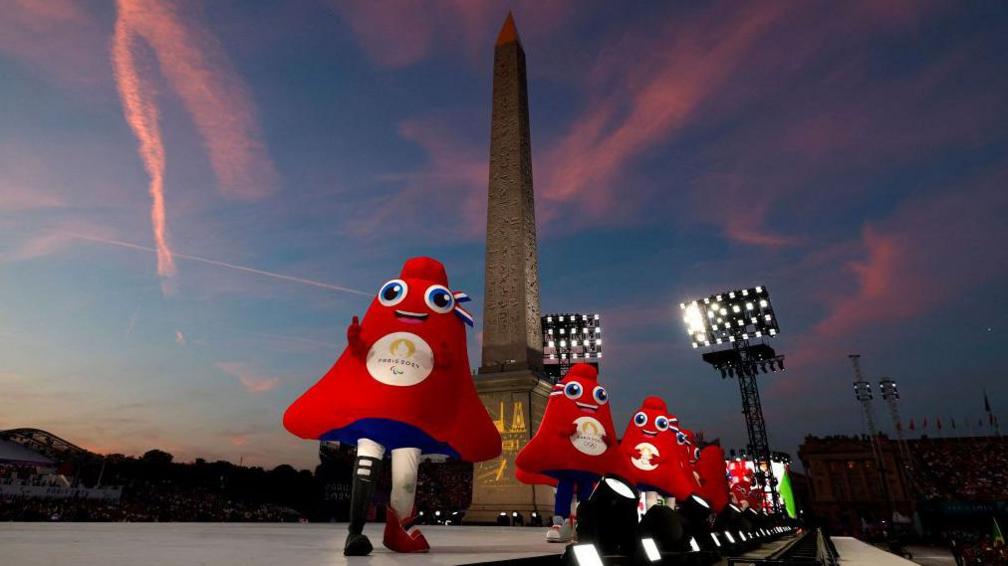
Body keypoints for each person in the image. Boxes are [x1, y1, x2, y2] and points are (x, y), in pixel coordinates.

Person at [284, 257, 501, 555]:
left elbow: (451, 367)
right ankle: (365, 532)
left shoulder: (434, 323)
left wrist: (444, 356)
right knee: (397, 478)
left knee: (386, 474)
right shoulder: (440, 319)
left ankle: (380, 530)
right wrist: (356, 342)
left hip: (390, 421)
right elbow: (361, 355)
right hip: (400, 422)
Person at [515, 363, 625, 543]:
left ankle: (576, 522)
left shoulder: (567, 394)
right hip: (577, 468)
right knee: (572, 490)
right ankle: (568, 522)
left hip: (584, 468)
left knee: (574, 492)